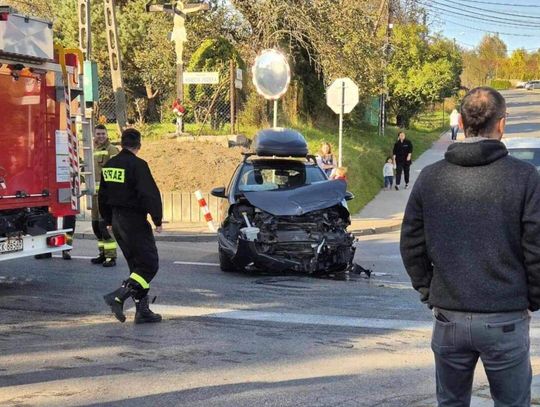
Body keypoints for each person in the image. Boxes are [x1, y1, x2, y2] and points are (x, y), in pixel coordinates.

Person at [400, 87, 540, 406]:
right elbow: (536, 248)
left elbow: (411, 243)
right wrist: (531, 297)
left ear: (461, 123)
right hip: (505, 316)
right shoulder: (524, 177)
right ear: (501, 124)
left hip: (449, 317)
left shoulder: (430, 177)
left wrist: (430, 289)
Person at [99, 128, 163, 324]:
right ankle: (118, 296)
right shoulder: (138, 165)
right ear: (139, 145)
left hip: (117, 222)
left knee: (136, 267)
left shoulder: (110, 165)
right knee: (149, 265)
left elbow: (102, 195)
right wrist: (157, 219)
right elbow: (149, 194)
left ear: (121, 143)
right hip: (134, 221)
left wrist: (108, 220)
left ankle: (142, 311)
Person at [91, 124, 119, 267]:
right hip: (95, 196)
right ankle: (102, 254)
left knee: (104, 226)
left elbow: (117, 172)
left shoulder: (112, 150)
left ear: (107, 134)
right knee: (96, 227)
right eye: (98, 134)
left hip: (106, 197)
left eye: (103, 133)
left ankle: (111, 257)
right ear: (94, 134)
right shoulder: (92, 149)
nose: (101, 136)